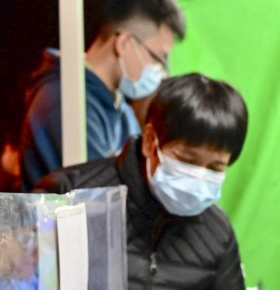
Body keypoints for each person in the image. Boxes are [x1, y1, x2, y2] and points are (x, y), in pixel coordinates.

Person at [38, 73, 251, 290]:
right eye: (188, 160)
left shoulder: (214, 233)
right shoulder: (72, 197)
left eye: (215, 167)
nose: (199, 176)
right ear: (152, 141)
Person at [19, 0, 186, 190]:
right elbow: (98, 193)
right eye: (158, 58)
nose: (162, 72)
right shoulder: (66, 102)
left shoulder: (120, 108)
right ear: (124, 43)